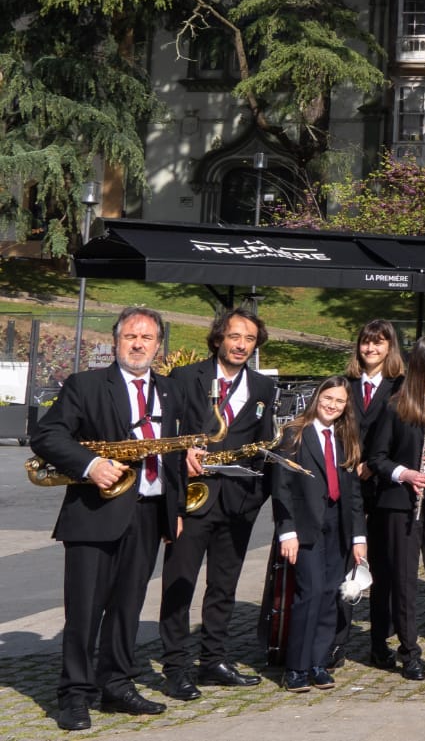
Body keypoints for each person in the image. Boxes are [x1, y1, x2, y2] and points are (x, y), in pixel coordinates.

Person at [32, 307, 188, 731]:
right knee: (84, 611)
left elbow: (171, 455)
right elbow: (47, 435)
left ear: (159, 345)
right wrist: (90, 465)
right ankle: (75, 695)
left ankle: (117, 684)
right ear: (116, 341)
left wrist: (174, 510)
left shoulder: (170, 391)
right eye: (130, 336)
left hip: (150, 513)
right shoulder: (85, 384)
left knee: (128, 609)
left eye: (148, 337)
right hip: (95, 513)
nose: (139, 344)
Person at [158, 307, 275, 700]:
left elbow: (264, 444)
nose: (241, 345)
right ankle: (175, 667)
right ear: (218, 338)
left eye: (249, 339)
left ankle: (213, 661)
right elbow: (163, 434)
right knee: (179, 585)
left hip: (237, 502)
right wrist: (180, 456)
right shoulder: (184, 378)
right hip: (192, 498)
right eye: (235, 336)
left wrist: (256, 498)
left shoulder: (262, 387)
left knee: (223, 587)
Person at [364, 334, 425, 680]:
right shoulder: (395, 406)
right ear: (420, 362)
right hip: (401, 504)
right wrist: (404, 473)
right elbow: (376, 458)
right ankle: (409, 653)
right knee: (404, 579)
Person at [269, 376, 368, 692]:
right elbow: (281, 488)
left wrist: (358, 537)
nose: (333, 406)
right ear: (317, 397)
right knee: (309, 593)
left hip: (338, 525)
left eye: (340, 401)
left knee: (329, 595)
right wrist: (287, 532)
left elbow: (353, 494)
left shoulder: (344, 438)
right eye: (329, 398)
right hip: (306, 526)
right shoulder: (294, 434)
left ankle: (318, 662)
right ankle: (296, 668)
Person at [346, 321, 403, 668]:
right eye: (366, 343)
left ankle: (380, 640)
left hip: (383, 486)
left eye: (378, 344)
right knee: (346, 564)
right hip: (349, 482)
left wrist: (374, 463)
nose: (371, 349)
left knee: (383, 567)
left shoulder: (401, 387)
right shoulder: (346, 384)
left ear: (389, 348)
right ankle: (337, 640)